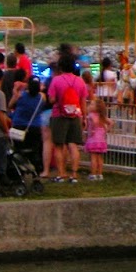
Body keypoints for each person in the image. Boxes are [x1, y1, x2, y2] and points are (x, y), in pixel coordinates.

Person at [47, 56, 90, 184]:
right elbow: (83, 101)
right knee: (73, 145)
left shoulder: (56, 80)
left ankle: (61, 174)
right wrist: (84, 117)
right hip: (75, 115)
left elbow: (52, 100)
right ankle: (74, 174)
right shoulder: (80, 81)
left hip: (59, 115)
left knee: (59, 146)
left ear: (61, 67)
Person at [9, 77, 46, 175]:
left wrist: (16, 89)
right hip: (35, 127)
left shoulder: (20, 96)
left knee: (18, 151)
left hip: (19, 127)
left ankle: (19, 170)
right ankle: (35, 170)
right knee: (34, 150)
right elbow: (42, 89)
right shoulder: (41, 98)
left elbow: (9, 105)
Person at [83, 98, 108, 181]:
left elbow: (94, 122)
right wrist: (106, 130)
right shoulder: (101, 116)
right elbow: (110, 122)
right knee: (99, 157)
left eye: (92, 104)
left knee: (93, 157)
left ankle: (93, 174)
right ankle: (100, 174)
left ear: (97, 107)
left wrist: (93, 129)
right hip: (101, 139)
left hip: (93, 138)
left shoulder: (91, 115)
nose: (90, 105)